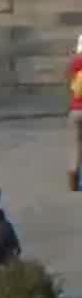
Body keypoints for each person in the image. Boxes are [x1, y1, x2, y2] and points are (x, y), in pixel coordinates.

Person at [67, 34, 82, 192]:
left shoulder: (74, 63)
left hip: (76, 109)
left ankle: (73, 177)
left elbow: (69, 85)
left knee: (75, 146)